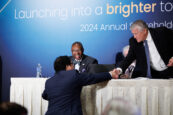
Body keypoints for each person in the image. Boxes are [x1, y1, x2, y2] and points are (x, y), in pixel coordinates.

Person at [42, 56, 118, 115]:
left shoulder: (49, 81)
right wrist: (110, 74)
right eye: (72, 64)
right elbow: (92, 78)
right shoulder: (73, 75)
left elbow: (44, 95)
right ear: (67, 66)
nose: (73, 66)